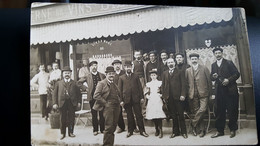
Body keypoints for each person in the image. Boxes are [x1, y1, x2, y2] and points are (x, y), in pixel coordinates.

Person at [210, 47, 240, 138]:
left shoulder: (229, 63)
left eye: (219, 53)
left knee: (232, 111)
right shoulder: (213, 65)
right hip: (219, 92)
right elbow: (211, 77)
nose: (218, 54)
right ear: (214, 55)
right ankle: (220, 131)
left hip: (230, 91)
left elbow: (237, 74)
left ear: (222, 53)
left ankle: (232, 130)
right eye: (216, 53)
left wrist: (228, 80)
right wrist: (214, 77)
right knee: (219, 111)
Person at [93, 66, 124, 146]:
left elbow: (118, 94)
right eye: (109, 74)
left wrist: (120, 102)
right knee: (108, 127)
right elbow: (96, 95)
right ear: (106, 74)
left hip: (116, 107)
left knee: (113, 126)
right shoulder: (101, 83)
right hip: (108, 107)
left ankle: (110, 144)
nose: (111, 75)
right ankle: (106, 144)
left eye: (113, 74)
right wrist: (105, 103)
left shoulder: (114, 84)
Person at [118, 60, 149, 138]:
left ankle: (142, 131)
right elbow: (120, 90)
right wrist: (121, 100)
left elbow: (140, 88)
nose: (128, 68)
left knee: (139, 115)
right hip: (126, 100)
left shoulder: (135, 76)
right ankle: (130, 131)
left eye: (130, 67)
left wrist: (141, 97)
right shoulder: (121, 78)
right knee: (129, 116)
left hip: (136, 98)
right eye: (127, 67)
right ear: (124, 68)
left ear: (132, 67)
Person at [185, 53, 212, 138]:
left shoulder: (204, 68)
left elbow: (209, 82)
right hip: (193, 94)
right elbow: (186, 83)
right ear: (190, 60)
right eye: (192, 59)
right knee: (198, 112)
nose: (194, 60)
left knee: (203, 109)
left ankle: (193, 123)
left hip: (204, 93)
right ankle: (202, 130)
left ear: (198, 59)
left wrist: (210, 93)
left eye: (195, 59)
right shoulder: (188, 70)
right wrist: (189, 93)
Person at [77, 60, 106, 136]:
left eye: (95, 65)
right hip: (92, 98)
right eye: (92, 66)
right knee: (94, 114)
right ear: (90, 67)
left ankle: (102, 129)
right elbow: (78, 83)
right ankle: (95, 130)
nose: (94, 67)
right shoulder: (87, 76)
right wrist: (86, 88)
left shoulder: (102, 75)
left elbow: (107, 83)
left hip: (100, 97)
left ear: (97, 66)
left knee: (102, 114)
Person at [52, 66, 81, 140]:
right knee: (62, 118)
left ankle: (71, 132)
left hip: (72, 103)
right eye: (65, 73)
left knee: (71, 118)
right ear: (62, 74)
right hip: (62, 103)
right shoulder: (58, 83)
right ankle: (62, 133)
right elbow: (54, 94)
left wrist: (79, 102)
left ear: (71, 74)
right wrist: (55, 103)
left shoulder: (74, 83)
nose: (67, 74)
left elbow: (79, 94)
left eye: (68, 73)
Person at [161, 58, 187, 139]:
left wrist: (183, 95)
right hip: (169, 98)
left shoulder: (180, 72)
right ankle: (175, 132)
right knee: (173, 116)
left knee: (181, 115)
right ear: (167, 64)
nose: (170, 64)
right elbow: (163, 85)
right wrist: (165, 96)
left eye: (172, 62)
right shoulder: (165, 73)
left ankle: (183, 132)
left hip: (178, 97)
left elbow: (184, 84)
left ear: (174, 63)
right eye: (168, 62)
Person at [145, 69, 166, 138]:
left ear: (157, 76)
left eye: (154, 75)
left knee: (159, 115)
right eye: (152, 75)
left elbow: (163, 90)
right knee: (153, 114)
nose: (153, 76)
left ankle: (161, 130)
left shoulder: (160, 83)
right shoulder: (148, 84)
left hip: (158, 99)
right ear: (150, 76)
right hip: (151, 99)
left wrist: (161, 94)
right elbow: (146, 92)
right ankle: (156, 129)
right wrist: (147, 96)